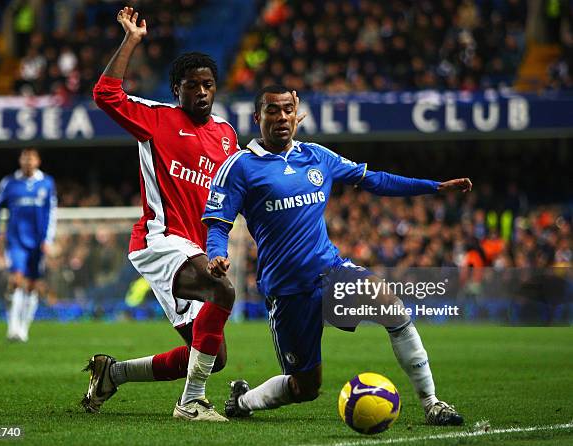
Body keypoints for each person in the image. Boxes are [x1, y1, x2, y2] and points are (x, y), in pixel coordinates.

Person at [202, 85, 472, 425]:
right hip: (288, 291)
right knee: (305, 387)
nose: (281, 117)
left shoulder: (317, 156)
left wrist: (432, 187)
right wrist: (216, 254)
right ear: (258, 118)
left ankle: (432, 403)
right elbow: (217, 223)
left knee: (391, 307)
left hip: (330, 272)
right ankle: (242, 402)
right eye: (272, 110)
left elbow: (375, 180)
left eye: (287, 109)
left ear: (296, 116)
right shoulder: (240, 167)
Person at [82, 6, 237, 421]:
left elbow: (236, 190)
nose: (201, 92)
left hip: (197, 247)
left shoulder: (226, 135)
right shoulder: (157, 118)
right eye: (192, 86)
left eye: (208, 85)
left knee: (211, 356)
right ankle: (190, 403)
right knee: (224, 292)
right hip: (161, 240)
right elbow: (105, 95)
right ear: (176, 90)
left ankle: (112, 373)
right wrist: (131, 40)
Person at [0, 147, 57, 343]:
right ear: (20, 161)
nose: (28, 162)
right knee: (17, 280)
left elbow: (51, 212)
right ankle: (13, 328)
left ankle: (24, 329)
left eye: (31, 158)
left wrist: (48, 239)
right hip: (16, 240)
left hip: (37, 242)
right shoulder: (9, 183)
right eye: (25, 158)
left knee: (32, 286)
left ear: (38, 161)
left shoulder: (47, 183)